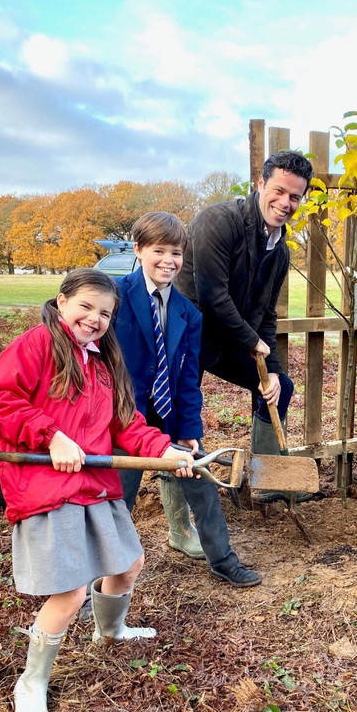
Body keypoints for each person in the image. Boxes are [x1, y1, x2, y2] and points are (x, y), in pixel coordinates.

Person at [0, 268, 195, 712]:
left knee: (128, 564)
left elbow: (127, 425)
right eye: (86, 306)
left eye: (105, 313)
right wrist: (51, 435)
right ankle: (32, 680)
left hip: (95, 484)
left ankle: (110, 633)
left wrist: (166, 451)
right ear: (61, 302)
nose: (94, 318)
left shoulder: (102, 363)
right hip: (47, 488)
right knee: (71, 591)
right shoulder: (38, 344)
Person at [112, 211, 261, 588]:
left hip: (168, 416)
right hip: (123, 418)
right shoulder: (114, 296)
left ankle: (222, 559)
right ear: (139, 250)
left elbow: (187, 381)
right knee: (116, 500)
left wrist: (190, 431)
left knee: (200, 481)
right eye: (158, 251)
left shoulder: (188, 313)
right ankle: (97, 581)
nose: (168, 261)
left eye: (176, 253)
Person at [176, 150, 314, 503]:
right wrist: (252, 341)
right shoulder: (218, 221)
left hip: (227, 339)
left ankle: (267, 482)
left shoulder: (280, 251)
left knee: (278, 386)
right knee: (181, 420)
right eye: (279, 191)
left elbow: (267, 314)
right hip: (185, 338)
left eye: (295, 196)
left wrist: (271, 372)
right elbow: (210, 296)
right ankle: (187, 518)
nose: (285, 203)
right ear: (260, 184)